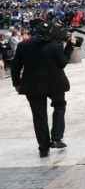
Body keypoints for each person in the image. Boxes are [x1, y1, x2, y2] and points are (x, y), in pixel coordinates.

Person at [11, 22, 77, 157]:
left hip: (32, 86)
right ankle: (56, 138)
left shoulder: (23, 45)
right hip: (55, 84)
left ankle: (43, 147)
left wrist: (16, 83)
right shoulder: (55, 45)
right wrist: (70, 46)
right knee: (59, 106)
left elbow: (15, 66)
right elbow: (62, 63)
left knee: (39, 116)